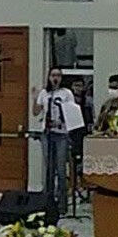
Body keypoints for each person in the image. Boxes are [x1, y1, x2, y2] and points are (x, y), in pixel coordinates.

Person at [31, 69, 83, 222]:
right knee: (49, 169)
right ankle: (47, 204)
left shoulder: (66, 93)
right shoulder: (45, 93)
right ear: (49, 77)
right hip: (47, 133)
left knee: (61, 170)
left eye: (58, 76)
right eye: (53, 75)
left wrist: (62, 120)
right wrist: (35, 98)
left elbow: (72, 112)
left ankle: (62, 205)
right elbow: (36, 112)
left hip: (61, 134)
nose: (55, 78)